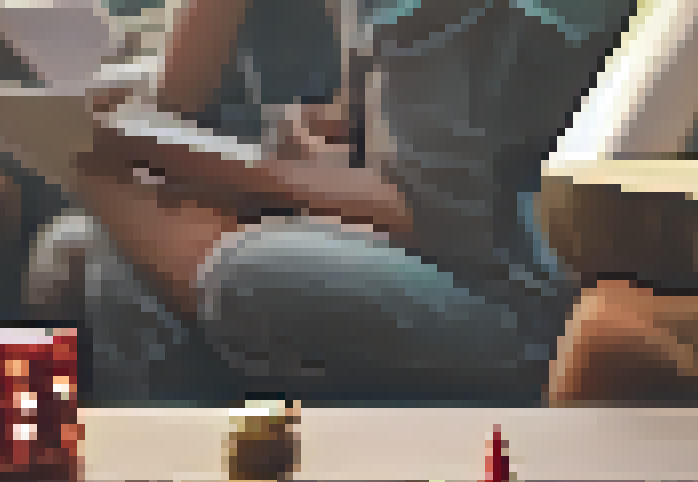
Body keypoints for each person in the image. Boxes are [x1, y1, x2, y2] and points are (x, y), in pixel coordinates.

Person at [32, 0, 635, 406]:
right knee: (100, 245)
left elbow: (428, 217)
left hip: (525, 302)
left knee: (240, 274)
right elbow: (415, 150)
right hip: (490, 248)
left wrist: (129, 160)